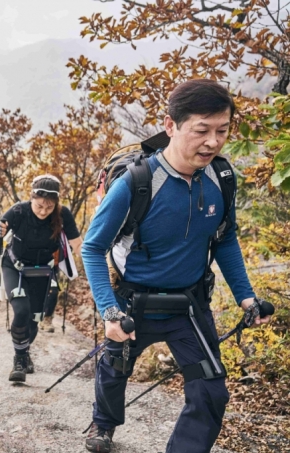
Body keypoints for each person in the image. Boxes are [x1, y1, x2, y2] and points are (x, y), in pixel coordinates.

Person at [81, 79, 272, 453]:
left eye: (222, 131)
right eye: (202, 130)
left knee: (211, 391)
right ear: (170, 126)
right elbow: (92, 247)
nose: (213, 142)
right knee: (115, 369)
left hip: (188, 305)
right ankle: (102, 425)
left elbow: (225, 239)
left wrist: (246, 298)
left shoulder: (221, 179)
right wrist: (108, 310)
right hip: (132, 301)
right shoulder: (137, 183)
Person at [0, 175, 80, 382]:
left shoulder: (63, 215)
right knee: (21, 309)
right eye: (39, 206)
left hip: (43, 271)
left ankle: (25, 352)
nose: (44, 211)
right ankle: (19, 360)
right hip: (15, 267)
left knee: (35, 320)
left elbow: (78, 244)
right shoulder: (19, 211)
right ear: (31, 198)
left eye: (49, 207)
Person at [40, 237, 82, 332]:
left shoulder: (62, 231)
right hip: (34, 264)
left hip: (52, 267)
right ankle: (33, 315)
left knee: (53, 291)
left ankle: (47, 319)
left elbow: (68, 248)